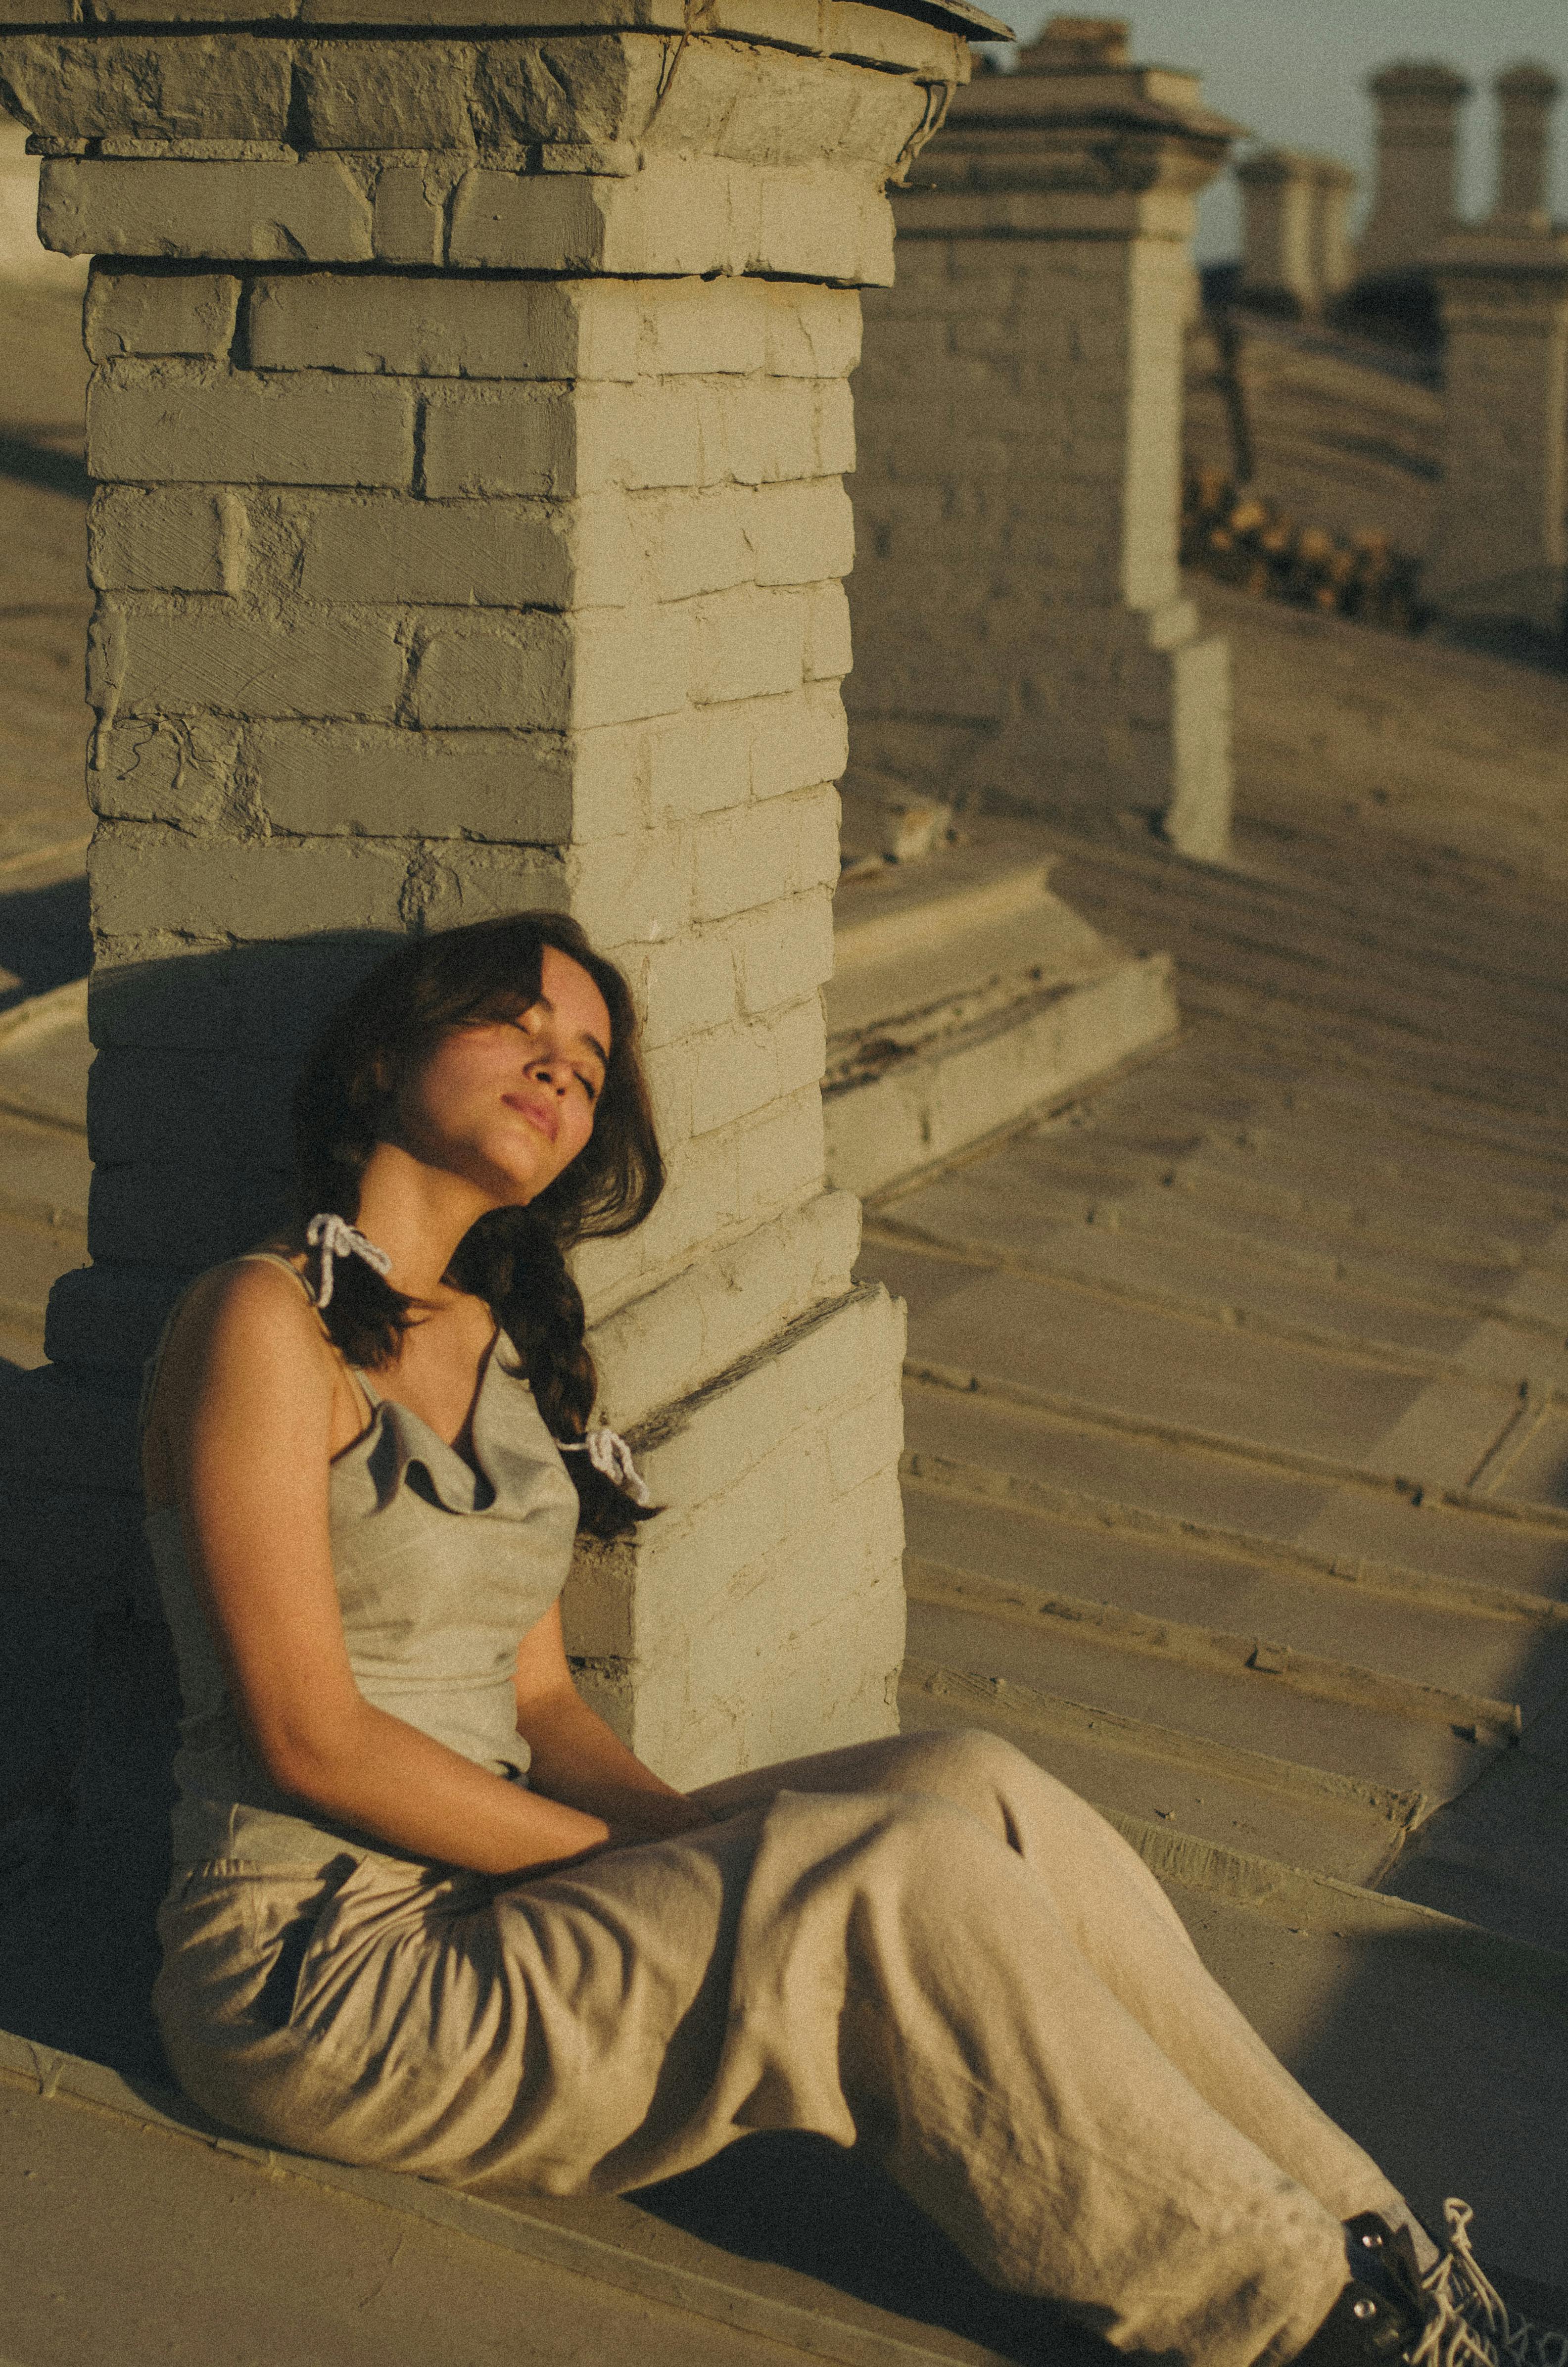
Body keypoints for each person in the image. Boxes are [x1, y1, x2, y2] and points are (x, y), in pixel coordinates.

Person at [141, 911, 1540, 2367]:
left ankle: (1376, 2253)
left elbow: (540, 1700)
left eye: (589, 1063)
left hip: (497, 1901)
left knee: (964, 1782)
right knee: (893, 1878)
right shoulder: (260, 1321)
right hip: (321, 1974)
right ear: (385, 1053)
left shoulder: (499, 1349)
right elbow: (308, 1737)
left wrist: (689, 1844)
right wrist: (658, 1868)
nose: (561, 1073)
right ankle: (1301, 2327)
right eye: (519, 1027)